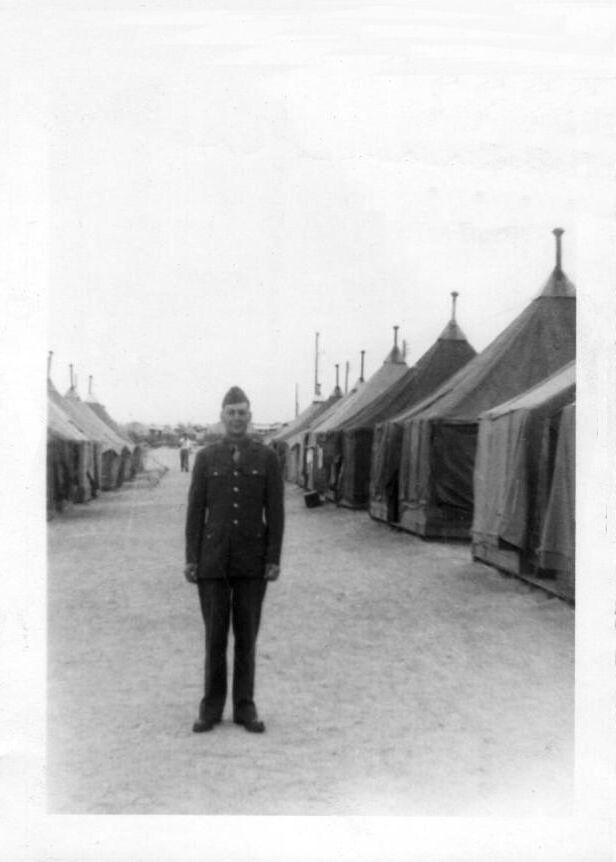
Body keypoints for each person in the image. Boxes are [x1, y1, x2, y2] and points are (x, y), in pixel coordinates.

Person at [184, 386, 284, 734]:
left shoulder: (267, 457)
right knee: (214, 638)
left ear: (250, 417)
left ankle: (245, 707)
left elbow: (276, 511)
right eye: (232, 413)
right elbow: (196, 510)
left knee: (246, 638)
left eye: (243, 412)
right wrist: (191, 558)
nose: (237, 418)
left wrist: (272, 558)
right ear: (222, 417)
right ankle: (210, 708)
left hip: (251, 562)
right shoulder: (206, 457)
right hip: (213, 561)